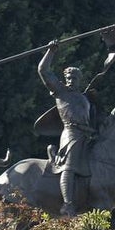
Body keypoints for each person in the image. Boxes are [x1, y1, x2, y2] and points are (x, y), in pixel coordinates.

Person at [38, 40, 96, 216]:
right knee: (69, 167)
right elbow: (43, 71)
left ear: (80, 80)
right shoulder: (61, 91)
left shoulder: (84, 98)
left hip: (87, 135)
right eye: (68, 78)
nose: (71, 81)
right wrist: (51, 51)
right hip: (71, 132)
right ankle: (68, 204)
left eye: (74, 78)